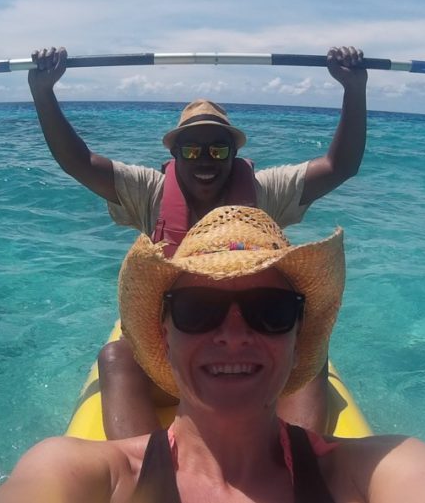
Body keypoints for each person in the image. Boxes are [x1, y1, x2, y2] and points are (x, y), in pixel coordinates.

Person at [0, 206, 425, 503]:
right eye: (197, 310)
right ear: (162, 333)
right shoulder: (85, 473)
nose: (235, 334)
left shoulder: (370, 472)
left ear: (298, 336)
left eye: (269, 311)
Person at [29, 45, 368, 439]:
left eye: (217, 149)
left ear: (233, 154)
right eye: (191, 150)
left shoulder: (264, 192)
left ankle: (298, 464)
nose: (204, 160)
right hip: (173, 345)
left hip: (248, 336)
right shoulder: (150, 193)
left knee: (314, 351)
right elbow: (79, 163)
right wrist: (44, 92)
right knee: (116, 356)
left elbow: (340, 166)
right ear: (175, 154)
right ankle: (147, 474)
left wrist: (353, 89)